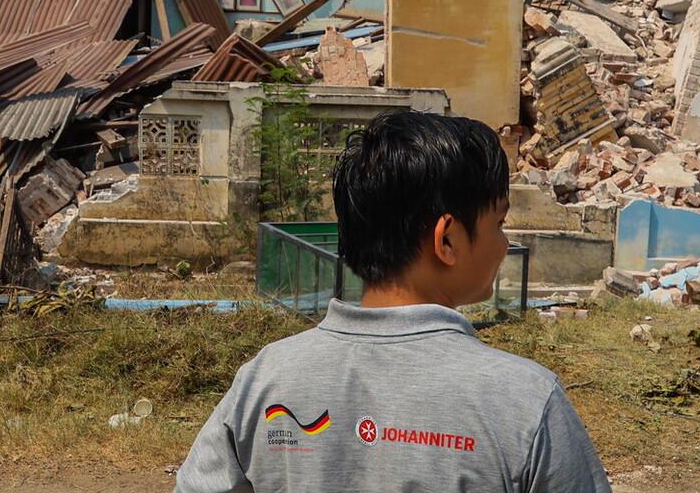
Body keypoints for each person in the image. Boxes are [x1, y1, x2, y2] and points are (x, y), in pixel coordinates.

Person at [173, 111, 611, 492]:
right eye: (498, 222)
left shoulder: (265, 380)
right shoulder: (526, 401)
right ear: (448, 239)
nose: (504, 242)